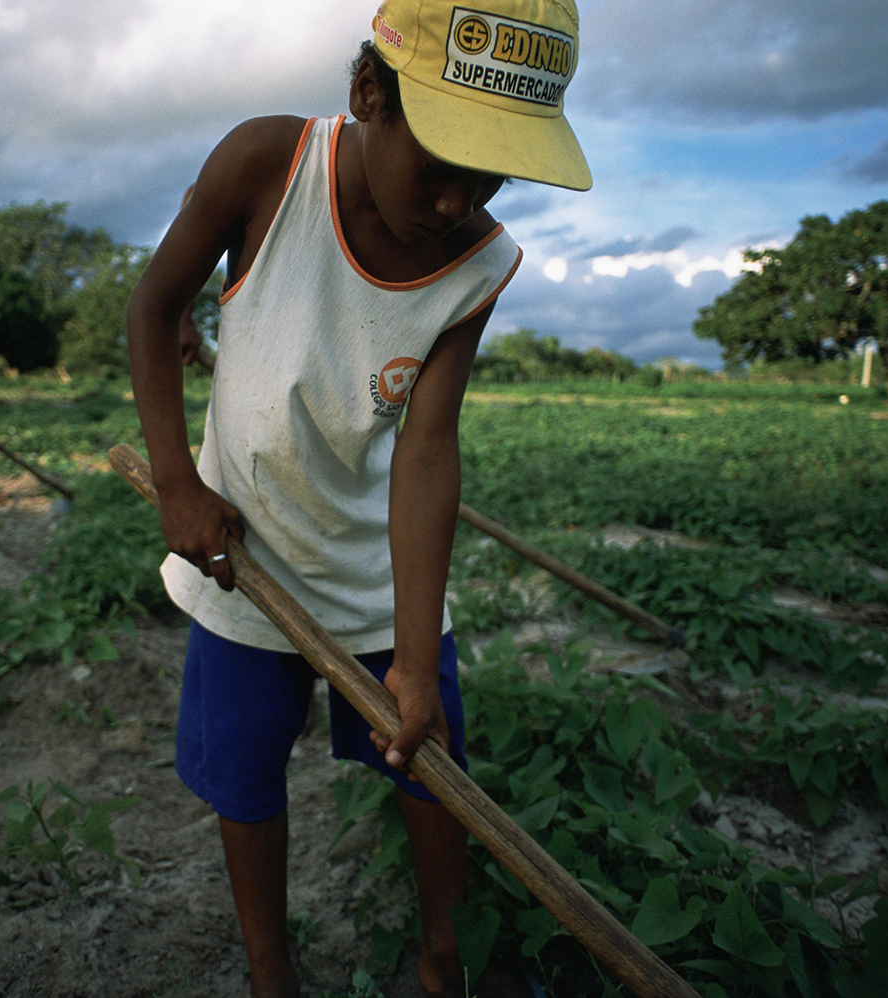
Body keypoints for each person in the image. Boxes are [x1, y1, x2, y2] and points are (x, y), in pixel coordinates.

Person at [126, 0, 591, 993]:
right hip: (239, 562)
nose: (459, 200)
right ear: (367, 93)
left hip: (378, 578)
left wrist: (415, 657)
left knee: (431, 765)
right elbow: (153, 305)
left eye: (491, 169)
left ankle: (440, 956)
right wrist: (176, 481)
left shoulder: (481, 262)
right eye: (442, 162)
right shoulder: (265, 168)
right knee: (247, 781)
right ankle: (270, 968)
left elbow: (427, 452)